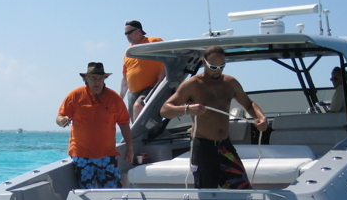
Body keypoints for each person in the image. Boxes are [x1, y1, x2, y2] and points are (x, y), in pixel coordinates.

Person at [160, 45, 268, 189]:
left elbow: (249, 104)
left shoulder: (230, 83)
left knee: (242, 190)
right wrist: (187, 109)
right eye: (213, 67)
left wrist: (261, 118)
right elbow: (165, 110)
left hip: (225, 146)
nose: (218, 71)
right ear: (204, 62)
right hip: (203, 147)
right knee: (207, 192)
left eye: (221, 67)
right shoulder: (193, 85)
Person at [57, 62, 134, 189]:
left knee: (113, 193)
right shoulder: (75, 96)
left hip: (107, 155)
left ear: (104, 79)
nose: (97, 82)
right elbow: (59, 116)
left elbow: (124, 123)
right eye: (93, 78)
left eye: (100, 78)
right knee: (87, 194)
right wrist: (62, 120)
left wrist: (130, 149)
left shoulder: (114, 98)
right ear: (86, 79)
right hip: (82, 155)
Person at [120, 20, 165, 122]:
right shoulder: (128, 52)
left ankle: (138, 138)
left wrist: (164, 73)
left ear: (139, 31)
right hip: (132, 93)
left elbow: (171, 57)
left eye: (129, 32)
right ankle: (144, 137)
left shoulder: (153, 41)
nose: (127, 36)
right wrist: (120, 97)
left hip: (151, 87)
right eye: (125, 33)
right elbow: (125, 78)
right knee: (135, 121)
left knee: (138, 106)